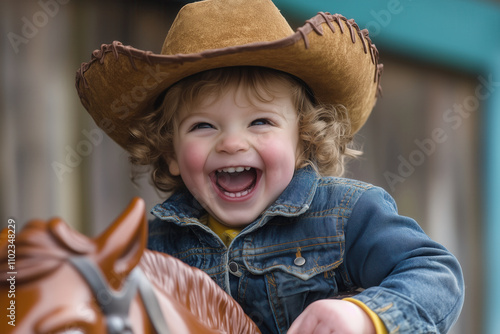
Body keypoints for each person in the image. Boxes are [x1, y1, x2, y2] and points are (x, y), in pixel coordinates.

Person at [75, 0, 464, 333]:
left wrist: (360, 315)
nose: (231, 143)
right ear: (171, 153)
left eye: (260, 121)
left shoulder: (344, 216)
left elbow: (436, 275)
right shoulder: (152, 247)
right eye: (203, 126)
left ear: (303, 141)